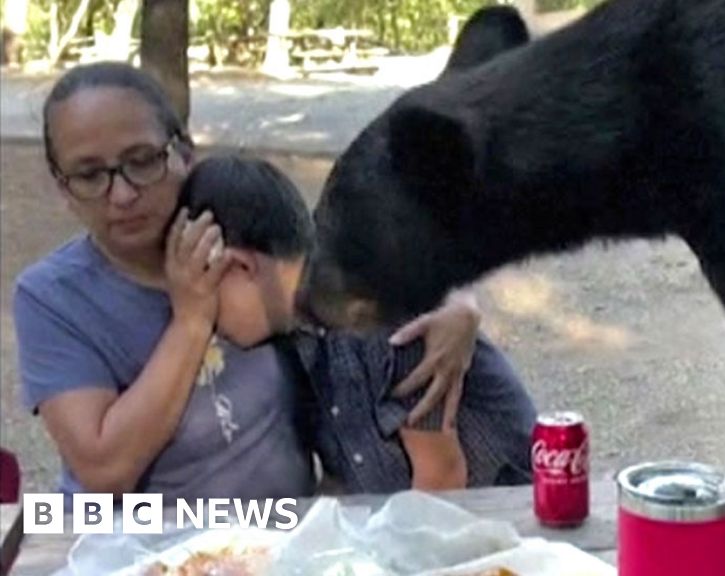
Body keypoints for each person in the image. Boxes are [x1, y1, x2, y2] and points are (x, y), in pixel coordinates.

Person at [12, 62, 480, 501]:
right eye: (90, 174)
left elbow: (339, 258)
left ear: (185, 151)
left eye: (142, 159)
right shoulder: (51, 297)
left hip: (278, 540)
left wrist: (457, 304)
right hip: (128, 538)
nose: (123, 193)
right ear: (61, 187)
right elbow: (103, 473)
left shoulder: (239, 219)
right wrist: (191, 322)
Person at [179, 155, 537, 492]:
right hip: (414, 523)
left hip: (504, 517)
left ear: (239, 266)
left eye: (206, 294)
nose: (209, 323)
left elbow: (442, 479)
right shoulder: (296, 339)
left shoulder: (380, 306)